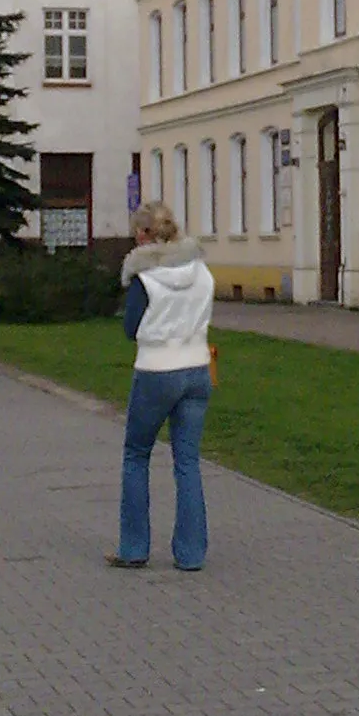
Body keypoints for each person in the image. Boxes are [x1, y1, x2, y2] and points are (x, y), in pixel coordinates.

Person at [110, 201, 216, 572]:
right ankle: (191, 554)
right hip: (197, 368)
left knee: (136, 455)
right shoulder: (202, 271)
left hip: (156, 370)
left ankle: (134, 547)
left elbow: (130, 329)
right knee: (187, 461)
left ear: (144, 235)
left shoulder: (145, 279)